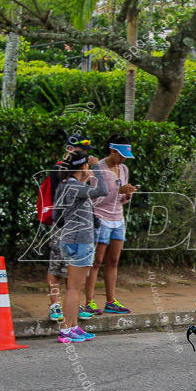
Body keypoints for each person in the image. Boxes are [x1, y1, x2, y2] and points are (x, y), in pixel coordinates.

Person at [53, 150, 108, 343]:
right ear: (83, 166)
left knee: (74, 286)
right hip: (81, 241)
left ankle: (73, 326)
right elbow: (103, 190)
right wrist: (97, 168)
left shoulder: (64, 186)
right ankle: (67, 329)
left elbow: (56, 216)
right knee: (74, 288)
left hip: (68, 239)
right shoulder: (75, 186)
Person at [84, 138, 137, 315]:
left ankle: (110, 300)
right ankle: (89, 301)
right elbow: (96, 197)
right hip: (101, 217)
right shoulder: (97, 168)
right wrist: (118, 191)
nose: (123, 160)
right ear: (112, 151)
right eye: (121, 156)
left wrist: (127, 194)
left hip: (118, 219)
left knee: (113, 261)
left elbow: (120, 199)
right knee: (97, 260)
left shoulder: (123, 169)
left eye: (126, 157)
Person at [47, 139, 94, 324]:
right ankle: (56, 306)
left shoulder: (74, 178)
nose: (85, 157)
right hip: (68, 228)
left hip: (71, 227)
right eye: (81, 152)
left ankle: (71, 314)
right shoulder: (59, 171)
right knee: (57, 269)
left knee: (74, 281)